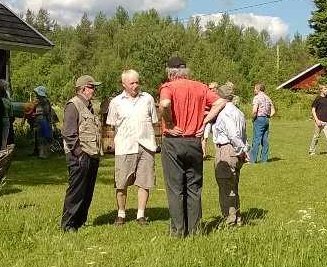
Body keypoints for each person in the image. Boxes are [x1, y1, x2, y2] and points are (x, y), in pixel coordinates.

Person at [159, 56, 225, 237]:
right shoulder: (201, 87)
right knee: (194, 188)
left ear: (170, 72)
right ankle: (195, 231)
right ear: (185, 71)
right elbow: (220, 102)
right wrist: (205, 122)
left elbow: (165, 104)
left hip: (174, 142)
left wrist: (170, 124)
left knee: (175, 189)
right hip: (194, 142)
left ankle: (178, 231)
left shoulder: (168, 87)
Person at [106, 69, 159, 226]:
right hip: (125, 147)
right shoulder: (116, 102)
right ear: (124, 84)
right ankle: (121, 213)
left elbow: (154, 122)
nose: (135, 85)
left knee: (144, 182)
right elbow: (110, 125)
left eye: (137, 82)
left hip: (146, 145)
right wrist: (109, 144)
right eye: (132, 83)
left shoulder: (148, 99)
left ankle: (140, 214)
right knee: (121, 183)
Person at [60, 75, 103, 233]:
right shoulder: (74, 105)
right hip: (79, 155)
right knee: (76, 190)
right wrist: (79, 154)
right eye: (92, 87)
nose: (94, 90)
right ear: (83, 88)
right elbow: (68, 133)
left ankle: (79, 221)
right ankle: (68, 224)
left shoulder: (89, 105)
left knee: (87, 190)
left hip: (92, 154)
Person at [211, 82, 248, 226]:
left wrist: (240, 148)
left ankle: (229, 219)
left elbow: (233, 134)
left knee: (225, 187)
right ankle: (237, 217)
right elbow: (243, 134)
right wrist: (244, 150)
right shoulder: (239, 112)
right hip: (236, 151)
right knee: (233, 185)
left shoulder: (225, 112)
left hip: (227, 149)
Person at [250, 83, 275, 163]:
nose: (254, 90)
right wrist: (267, 116)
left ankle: (253, 160)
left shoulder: (257, 98)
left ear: (258, 89)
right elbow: (273, 111)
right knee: (265, 139)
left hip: (259, 118)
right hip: (266, 119)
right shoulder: (268, 98)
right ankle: (264, 159)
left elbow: (254, 110)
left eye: (255, 89)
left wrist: (253, 118)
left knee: (256, 139)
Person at [309, 85, 327, 156]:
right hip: (319, 121)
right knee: (316, 136)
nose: (326, 91)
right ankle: (312, 151)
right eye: (325, 89)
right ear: (321, 90)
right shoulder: (318, 98)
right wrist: (316, 120)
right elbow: (313, 110)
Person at [32, 86, 53, 159]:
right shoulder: (39, 101)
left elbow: (46, 111)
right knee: (39, 137)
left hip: (44, 121)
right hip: (39, 121)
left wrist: (36, 114)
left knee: (43, 137)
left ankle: (44, 154)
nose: (36, 94)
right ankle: (40, 153)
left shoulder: (45, 100)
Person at [201, 82, 219, 158]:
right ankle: (203, 154)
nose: (210, 89)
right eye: (209, 88)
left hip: (215, 121)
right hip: (207, 120)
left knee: (216, 139)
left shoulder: (219, 97)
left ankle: (218, 154)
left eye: (211, 88)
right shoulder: (206, 97)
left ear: (216, 88)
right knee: (205, 137)